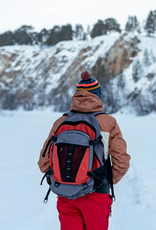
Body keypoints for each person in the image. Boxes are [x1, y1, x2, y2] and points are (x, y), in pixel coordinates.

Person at [38, 71, 130, 230]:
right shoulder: (108, 122)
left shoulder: (61, 121)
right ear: (98, 96)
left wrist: (59, 178)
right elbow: (122, 160)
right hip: (96, 193)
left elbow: (43, 162)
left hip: (65, 193)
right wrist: (105, 181)